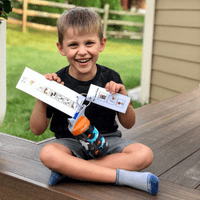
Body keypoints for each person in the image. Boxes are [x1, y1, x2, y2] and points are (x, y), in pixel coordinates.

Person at [30, 7, 159, 195]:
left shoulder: (111, 78)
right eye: (73, 45)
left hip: (108, 141)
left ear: (101, 44)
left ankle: (73, 172)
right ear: (61, 47)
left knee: (144, 154)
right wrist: (42, 96)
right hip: (70, 144)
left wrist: (125, 101)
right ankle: (124, 177)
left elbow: (129, 124)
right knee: (48, 153)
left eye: (89, 43)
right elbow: (37, 129)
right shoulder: (57, 82)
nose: (82, 52)